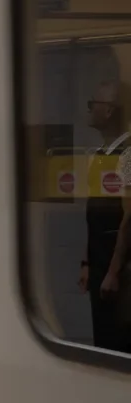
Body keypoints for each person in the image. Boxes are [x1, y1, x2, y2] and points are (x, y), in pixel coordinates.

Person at [79, 80, 131, 351]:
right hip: (99, 262)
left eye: (93, 104)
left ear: (109, 111)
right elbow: (94, 211)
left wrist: (113, 271)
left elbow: (129, 217)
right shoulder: (99, 155)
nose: (89, 109)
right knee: (103, 339)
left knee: (118, 341)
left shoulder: (129, 154)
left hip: (119, 267)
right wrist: (87, 262)